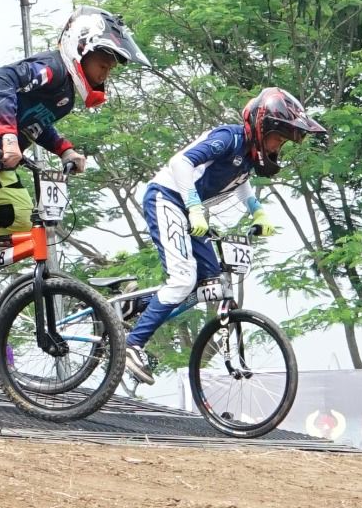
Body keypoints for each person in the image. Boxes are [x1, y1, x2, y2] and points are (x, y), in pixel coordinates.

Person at [0, 7, 149, 301]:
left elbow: (36, 123)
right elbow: (1, 81)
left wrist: (65, 149)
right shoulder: (51, 69)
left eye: (110, 68)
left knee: (23, 218)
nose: (106, 73)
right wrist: (9, 136)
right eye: (103, 65)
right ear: (81, 49)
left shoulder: (65, 98)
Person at [124, 87, 327, 383]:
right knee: (182, 279)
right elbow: (180, 163)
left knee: (210, 282)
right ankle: (133, 345)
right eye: (278, 139)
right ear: (263, 127)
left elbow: (240, 181)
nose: (277, 148)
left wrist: (256, 209)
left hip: (189, 212)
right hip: (166, 198)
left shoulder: (247, 157)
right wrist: (193, 206)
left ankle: (137, 304)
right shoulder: (228, 139)